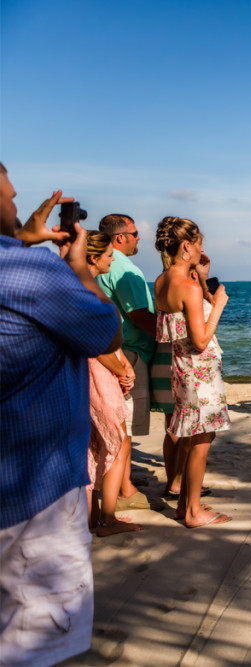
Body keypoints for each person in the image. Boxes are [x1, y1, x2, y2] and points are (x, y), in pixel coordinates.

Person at [0, 163, 122, 665]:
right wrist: (74, 270)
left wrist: (20, 240)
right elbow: (104, 331)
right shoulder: (30, 271)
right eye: (7, 199)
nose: (14, 206)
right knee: (37, 645)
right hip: (36, 491)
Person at [153, 216, 231, 528]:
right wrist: (220, 304)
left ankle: (184, 505)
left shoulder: (162, 281)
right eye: (199, 244)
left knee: (187, 436)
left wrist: (201, 276)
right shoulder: (188, 286)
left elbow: (178, 328)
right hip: (200, 371)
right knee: (201, 440)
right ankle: (194, 512)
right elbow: (200, 339)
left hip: (181, 370)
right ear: (187, 246)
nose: (202, 249)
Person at [97, 213, 178, 507]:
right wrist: (170, 334)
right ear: (120, 238)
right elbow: (138, 315)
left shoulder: (107, 264)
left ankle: (122, 483)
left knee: (121, 422)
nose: (138, 238)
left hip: (119, 348)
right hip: (130, 351)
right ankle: (126, 486)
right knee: (126, 426)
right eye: (134, 234)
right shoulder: (121, 266)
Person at [85, 231, 145, 538]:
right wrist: (121, 368)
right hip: (97, 370)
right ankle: (106, 518)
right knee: (116, 439)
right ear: (94, 258)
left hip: (102, 367)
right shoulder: (88, 290)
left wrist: (122, 364)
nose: (113, 259)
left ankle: (94, 516)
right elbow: (95, 343)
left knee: (97, 441)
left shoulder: (89, 286)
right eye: (109, 255)